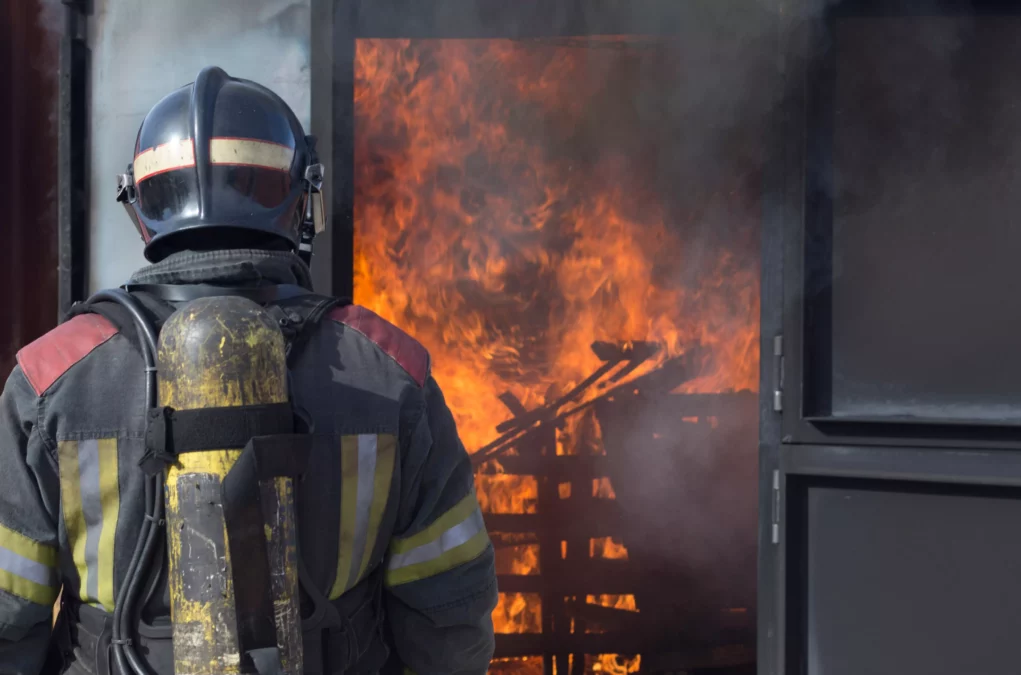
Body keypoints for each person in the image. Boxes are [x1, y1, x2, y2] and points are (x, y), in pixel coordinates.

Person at [0, 66, 497, 675]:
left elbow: (6, 620)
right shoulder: (391, 374)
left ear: (145, 206)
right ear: (297, 198)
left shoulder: (52, 379)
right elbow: (449, 616)